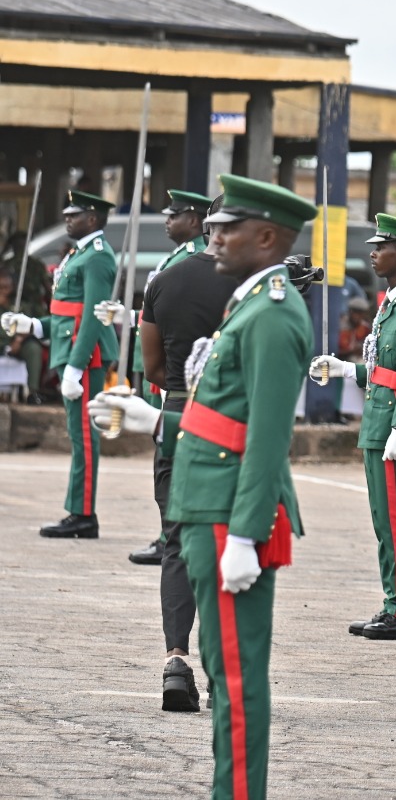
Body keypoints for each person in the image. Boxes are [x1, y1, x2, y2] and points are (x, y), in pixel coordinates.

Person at [94, 174, 316, 799]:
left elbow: (268, 435)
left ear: (267, 237)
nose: (212, 235)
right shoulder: (248, 303)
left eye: (228, 227)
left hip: (229, 515)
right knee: (221, 667)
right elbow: (223, 415)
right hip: (208, 504)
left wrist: (246, 535)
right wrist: (156, 419)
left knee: (237, 679)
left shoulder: (272, 313)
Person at [101, 195, 236, 710]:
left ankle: (176, 660)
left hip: (176, 416)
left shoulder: (165, 279)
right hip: (228, 421)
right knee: (227, 544)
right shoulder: (254, 289)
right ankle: (223, 671)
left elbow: (153, 367)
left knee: (178, 544)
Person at [310, 214, 396, 642]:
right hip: (377, 422)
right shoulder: (393, 300)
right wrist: (347, 369)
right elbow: (385, 369)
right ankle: (392, 603)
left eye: (380, 247)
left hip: (393, 427)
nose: (372, 253)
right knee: (383, 521)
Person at [3, 189, 117, 538]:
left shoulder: (97, 256)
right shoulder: (81, 253)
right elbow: (68, 315)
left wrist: (74, 367)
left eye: (75, 214)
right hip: (72, 353)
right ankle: (77, 510)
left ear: (93, 219)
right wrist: (33, 325)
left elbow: (93, 318)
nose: (68, 218)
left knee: (84, 436)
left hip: (84, 359)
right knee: (77, 435)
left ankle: (84, 515)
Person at [124, 188, 215, 566]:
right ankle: (169, 535)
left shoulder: (195, 259)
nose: (167, 221)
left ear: (195, 221)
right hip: (167, 371)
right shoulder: (178, 258)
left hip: (185, 377)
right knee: (168, 459)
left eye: (174, 215)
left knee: (178, 458)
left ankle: (170, 538)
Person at [0, 270, 44, 402]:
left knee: (33, 348)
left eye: (5, 287)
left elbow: (29, 325)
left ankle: (32, 391)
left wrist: (19, 340)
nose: (2, 291)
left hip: (16, 344)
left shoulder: (20, 304)